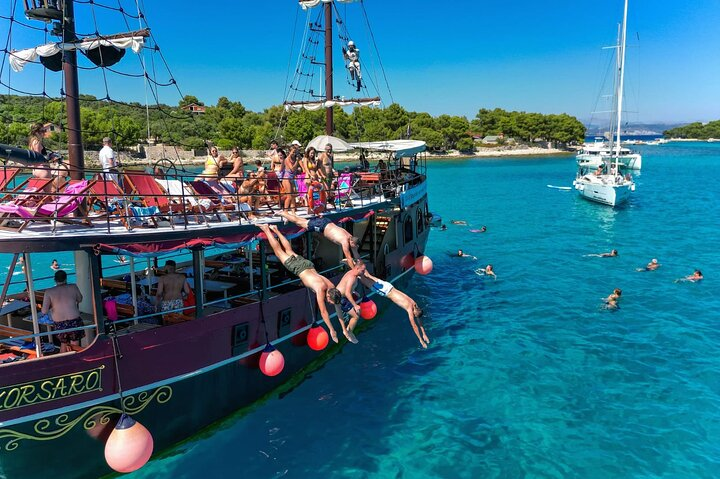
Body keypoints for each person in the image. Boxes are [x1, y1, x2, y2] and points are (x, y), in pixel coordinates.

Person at [258, 224, 345, 343]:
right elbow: (323, 312)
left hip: (308, 265)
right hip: (299, 269)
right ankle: (266, 230)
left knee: (289, 250)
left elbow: (337, 303)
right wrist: (331, 330)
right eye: (329, 301)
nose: (328, 302)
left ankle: (275, 230)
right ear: (329, 295)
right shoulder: (321, 289)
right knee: (278, 252)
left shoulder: (331, 287)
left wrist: (343, 327)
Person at [358, 269, 429, 348]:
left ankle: (357, 263)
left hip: (389, 286)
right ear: (414, 312)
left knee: (368, 276)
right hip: (385, 291)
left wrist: (424, 333)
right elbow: (414, 326)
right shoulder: (409, 309)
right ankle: (351, 266)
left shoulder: (414, 303)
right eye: (414, 315)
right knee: (363, 280)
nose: (413, 316)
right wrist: (421, 340)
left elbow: (419, 320)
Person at [277, 211, 360, 267]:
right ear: (352, 242)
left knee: (304, 222)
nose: (353, 248)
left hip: (327, 222)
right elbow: (349, 258)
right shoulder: (345, 241)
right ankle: (283, 213)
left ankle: (288, 215)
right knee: (299, 223)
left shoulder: (350, 236)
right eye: (354, 246)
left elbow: (356, 254)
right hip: (322, 226)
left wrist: (360, 263)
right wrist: (354, 270)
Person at [41, 270, 84, 353]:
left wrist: (52, 306)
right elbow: (80, 299)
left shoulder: (49, 292)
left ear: (55, 280)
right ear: (66, 278)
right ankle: (76, 362)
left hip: (59, 323)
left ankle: (63, 362)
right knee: (75, 344)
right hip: (74, 320)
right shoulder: (73, 287)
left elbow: (44, 311)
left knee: (63, 343)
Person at [335, 262, 367, 343]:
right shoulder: (352, 277)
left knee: (356, 314)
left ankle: (348, 330)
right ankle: (349, 332)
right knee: (356, 316)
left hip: (340, 295)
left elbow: (345, 285)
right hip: (340, 298)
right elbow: (347, 293)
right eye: (362, 271)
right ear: (357, 268)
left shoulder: (351, 272)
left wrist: (353, 292)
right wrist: (355, 305)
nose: (364, 272)